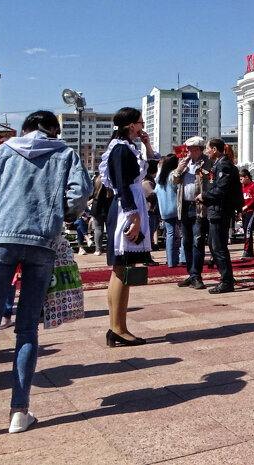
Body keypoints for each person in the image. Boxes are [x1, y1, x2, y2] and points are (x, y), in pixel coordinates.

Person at [0, 110, 90, 438]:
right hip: (43, 242)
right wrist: (61, 215)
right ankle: (19, 411)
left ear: (25, 129)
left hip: (1, 239)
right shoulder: (66, 153)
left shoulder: (6, 150)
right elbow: (80, 194)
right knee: (26, 331)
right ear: (53, 130)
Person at [101, 107, 156, 346]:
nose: (142, 126)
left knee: (123, 268)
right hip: (126, 208)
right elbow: (122, 184)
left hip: (130, 206)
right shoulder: (120, 150)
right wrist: (134, 216)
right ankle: (117, 327)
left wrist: (148, 145)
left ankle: (119, 325)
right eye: (140, 123)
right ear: (131, 125)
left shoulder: (126, 148)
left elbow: (149, 174)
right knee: (121, 268)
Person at [199, 138, 240, 293]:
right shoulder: (219, 165)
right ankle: (227, 276)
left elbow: (222, 189)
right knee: (214, 244)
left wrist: (205, 196)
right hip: (216, 209)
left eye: (208, 148)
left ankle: (226, 280)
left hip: (220, 210)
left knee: (218, 246)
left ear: (215, 149)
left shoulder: (224, 165)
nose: (206, 151)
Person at [173, 136, 207, 288]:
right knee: (186, 241)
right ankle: (191, 273)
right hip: (184, 206)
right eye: (187, 149)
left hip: (199, 207)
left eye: (191, 149)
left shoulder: (206, 162)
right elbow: (173, 180)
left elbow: (208, 180)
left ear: (198, 149)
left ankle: (196, 275)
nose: (187, 152)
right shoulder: (185, 163)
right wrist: (179, 169)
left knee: (198, 241)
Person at [154, 154, 181, 268]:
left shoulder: (159, 178)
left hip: (164, 210)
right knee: (182, 234)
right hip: (176, 208)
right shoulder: (172, 177)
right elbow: (178, 190)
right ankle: (183, 258)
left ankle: (170, 261)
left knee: (169, 234)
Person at [239, 169, 254, 260]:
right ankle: (249, 250)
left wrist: (246, 207)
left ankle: (247, 250)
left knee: (248, 229)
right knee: (245, 229)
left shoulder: (253, 186)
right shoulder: (242, 187)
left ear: (246, 177)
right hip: (244, 211)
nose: (241, 181)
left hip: (251, 210)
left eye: (241, 179)